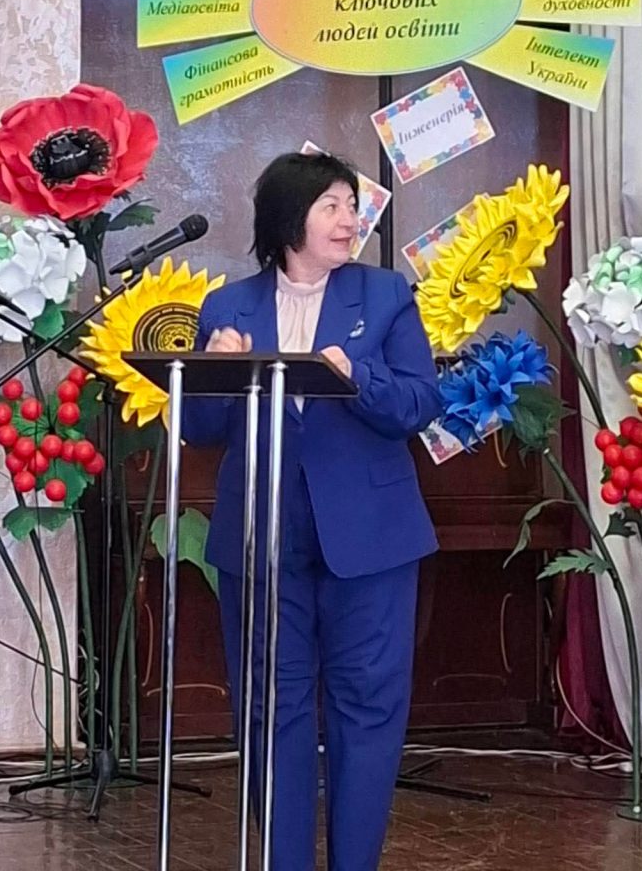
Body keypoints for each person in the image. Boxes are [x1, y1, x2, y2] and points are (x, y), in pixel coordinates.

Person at [182, 151, 442, 871]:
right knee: (273, 708)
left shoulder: (385, 295)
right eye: (332, 205)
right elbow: (199, 430)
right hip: (261, 538)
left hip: (371, 541)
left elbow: (419, 403)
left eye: (351, 206)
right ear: (287, 218)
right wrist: (216, 373)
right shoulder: (227, 307)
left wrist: (358, 376)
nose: (349, 220)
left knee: (367, 710)